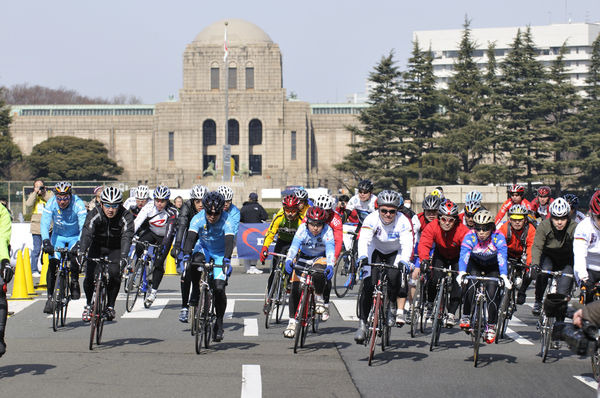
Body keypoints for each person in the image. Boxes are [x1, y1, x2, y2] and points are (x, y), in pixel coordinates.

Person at [353, 191, 413, 343]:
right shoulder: (371, 218)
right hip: (375, 250)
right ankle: (363, 324)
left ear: (397, 211)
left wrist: (405, 260)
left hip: (395, 251)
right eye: (384, 211)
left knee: (394, 277)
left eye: (392, 211)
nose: (388, 214)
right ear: (378, 209)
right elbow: (364, 240)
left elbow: (407, 243)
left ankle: (392, 304)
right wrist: (362, 257)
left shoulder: (403, 221)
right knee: (368, 286)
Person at [182, 192, 236, 342]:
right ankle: (196, 293)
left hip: (220, 253)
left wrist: (227, 260)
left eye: (216, 213)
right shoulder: (197, 218)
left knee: (219, 288)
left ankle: (219, 323)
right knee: (193, 262)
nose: (212, 216)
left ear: (221, 211)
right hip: (204, 249)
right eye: (209, 213)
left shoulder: (227, 220)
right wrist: (186, 254)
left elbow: (229, 242)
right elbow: (190, 238)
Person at [79, 187, 134, 322]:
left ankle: (110, 306)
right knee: (89, 275)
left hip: (116, 248)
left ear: (119, 205)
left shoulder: (125, 215)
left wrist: (124, 257)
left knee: (115, 274)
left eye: (114, 206)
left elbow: (127, 237)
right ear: (102, 204)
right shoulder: (95, 213)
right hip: (97, 246)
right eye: (108, 206)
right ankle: (88, 304)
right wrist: (82, 251)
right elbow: (87, 233)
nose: (111, 209)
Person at [415, 200, 470, 327]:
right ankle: (430, 302)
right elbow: (424, 243)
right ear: (439, 218)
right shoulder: (432, 226)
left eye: (450, 220)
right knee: (434, 277)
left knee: (458, 282)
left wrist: (464, 268)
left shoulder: (462, 230)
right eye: (444, 219)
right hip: (441, 254)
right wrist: (424, 259)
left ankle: (451, 313)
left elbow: (467, 250)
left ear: (455, 220)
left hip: (458, 256)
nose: (447, 223)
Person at [457, 210, 509, 344]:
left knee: (492, 293)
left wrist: (504, 275)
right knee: (471, 284)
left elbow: (502, 257)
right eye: (478, 228)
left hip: (493, 267)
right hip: (475, 265)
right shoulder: (470, 236)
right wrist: (462, 272)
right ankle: (466, 315)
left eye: (485, 229)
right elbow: (464, 255)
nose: (481, 232)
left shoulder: (498, 237)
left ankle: (491, 326)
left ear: (491, 228)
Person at [283, 207, 335, 338]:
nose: (315, 228)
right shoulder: (302, 229)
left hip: (320, 257)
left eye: (319, 225)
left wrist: (330, 265)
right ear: (307, 223)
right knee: (295, 288)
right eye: (312, 224)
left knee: (318, 273)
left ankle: (318, 297)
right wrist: (289, 259)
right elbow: (294, 246)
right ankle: (291, 322)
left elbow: (330, 249)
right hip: (304, 257)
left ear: (323, 224)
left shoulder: (328, 231)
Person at [40, 182, 87, 314]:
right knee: (52, 263)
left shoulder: (78, 204)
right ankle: (50, 297)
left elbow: (84, 225)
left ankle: (74, 281)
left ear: (70, 196)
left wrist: (80, 243)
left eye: (65, 198)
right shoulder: (51, 203)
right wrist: (45, 241)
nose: (62, 201)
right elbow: (44, 223)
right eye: (59, 198)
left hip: (74, 236)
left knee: (73, 257)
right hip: (58, 236)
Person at [531, 198, 576, 320]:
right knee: (543, 272)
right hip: (549, 257)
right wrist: (534, 264)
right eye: (556, 218)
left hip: (566, 260)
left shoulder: (574, 227)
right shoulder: (544, 226)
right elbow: (537, 246)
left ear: (568, 217)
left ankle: (559, 323)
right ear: (551, 217)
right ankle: (538, 300)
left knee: (562, 293)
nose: (559, 222)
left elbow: (579, 249)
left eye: (563, 219)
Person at [133, 185, 178, 307]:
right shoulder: (148, 206)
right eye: (157, 200)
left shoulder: (172, 211)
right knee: (139, 245)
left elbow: (169, 233)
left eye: (162, 201)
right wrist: (129, 236)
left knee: (159, 263)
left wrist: (164, 246)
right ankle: (143, 263)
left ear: (167, 201)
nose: (159, 203)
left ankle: (153, 292)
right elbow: (137, 222)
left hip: (165, 237)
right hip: (152, 232)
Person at [260, 194, 305, 311]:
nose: (290, 213)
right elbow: (270, 233)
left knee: (292, 266)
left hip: (295, 244)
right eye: (288, 210)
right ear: (284, 209)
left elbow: (303, 239)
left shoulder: (301, 220)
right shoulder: (279, 216)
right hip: (281, 242)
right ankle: (269, 299)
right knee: (275, 270)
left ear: (297, 210)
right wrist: (265, 248)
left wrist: (298, 253)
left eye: (293, 211)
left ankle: (289, 282)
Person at [171, 185, 207, 322]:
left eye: (203, 200)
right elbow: (181, 226)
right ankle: (184, 307)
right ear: (192, 201)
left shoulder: (211, 207)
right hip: (190, 239)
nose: (201, 204)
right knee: (186, 272)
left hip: (204, 240)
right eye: (197, 201)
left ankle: (205, 297)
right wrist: (178, 246)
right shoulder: (186, 207)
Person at [312, 193, 343, 321]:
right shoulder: (311, 213)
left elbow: (338, 240)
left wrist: (334, 257)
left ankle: (325, 303)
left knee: (325, 274)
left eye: (326, 211)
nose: (322, 214)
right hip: (313, 245)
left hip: (328, 248)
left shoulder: (335, 219)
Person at [498, 204, 536, 304]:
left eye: (520, 219)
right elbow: (497, 244)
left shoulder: (531, 229)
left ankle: (522, 292)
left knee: (530, 272)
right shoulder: (505, 227)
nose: (517, 222)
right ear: (510, 219)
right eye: (514, 219)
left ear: (525, 219)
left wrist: (529, 267)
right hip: (507, 253)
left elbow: (531, 249)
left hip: (522, 255)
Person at [574, 190, 600, 303]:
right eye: (599, 218)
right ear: (592, 214)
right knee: (587, 294)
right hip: (588, 267)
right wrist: (583, 277)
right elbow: (579, 253)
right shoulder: (584, 226)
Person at [25, 179, 54, 277]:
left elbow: (52, 202)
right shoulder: (33, 196)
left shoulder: (49, 194)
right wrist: (35, 193)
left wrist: (43, 193)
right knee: (36, 249)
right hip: (36, 226)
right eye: (37, 186)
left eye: (41, 186)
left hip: (48, 226)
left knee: (50, 248)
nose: (39, 188)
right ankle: (34, 269)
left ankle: (52, 267)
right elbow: (28, 204)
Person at [240, 192, 268, 274]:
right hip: (255, 232)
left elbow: (240, 218)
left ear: (249, 198)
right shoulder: (258, 207)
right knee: (254, 248)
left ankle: (247, 267)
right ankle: (253, 266)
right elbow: (265, 217)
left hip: (245, 231)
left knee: (247, 248)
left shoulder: (244, 208)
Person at [0, 201, 14, 357]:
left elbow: (2, 238)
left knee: (0, 290)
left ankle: (0, 335)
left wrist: (5, 262)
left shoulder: (1, 211)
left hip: (0, 252)